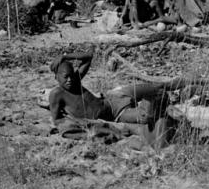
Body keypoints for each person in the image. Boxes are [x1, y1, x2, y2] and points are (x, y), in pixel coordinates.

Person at [48, 46, 198, 145]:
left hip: (114, 97)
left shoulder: (76, 80)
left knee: (158, 86)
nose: (69, 80)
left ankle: (198, 81)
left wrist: (65, 56)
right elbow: (57, 121)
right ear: (57, 77)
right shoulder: (57, 94)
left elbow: (88, 56)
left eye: (71, 76)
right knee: (146, 116)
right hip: (117, 114)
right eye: (65, 77)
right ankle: (174, 112)